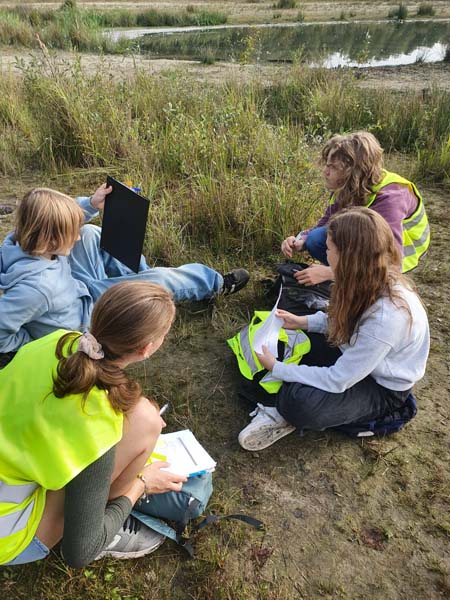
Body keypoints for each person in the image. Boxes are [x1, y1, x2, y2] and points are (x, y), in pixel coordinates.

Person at [0, 281, 194, 567]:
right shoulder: (101, 426)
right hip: (8, 534)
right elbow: (80, 552)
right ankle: (111, 532)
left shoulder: (57, 340)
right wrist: (142, 484)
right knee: (144, 422)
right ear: (146, 349)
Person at [238, 207, 430, 451]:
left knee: (298, 403)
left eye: (329, 250)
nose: (325, 255)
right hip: (355, 356)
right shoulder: (361, 277)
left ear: (348, 257)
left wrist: (278, 369)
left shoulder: (388, 318)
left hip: (380, 386)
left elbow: (338, 380)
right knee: (296, 336)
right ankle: (291, 395)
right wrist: (303, 322)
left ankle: (285, 414)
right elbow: (342, 320)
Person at [0, 185, 249, 354]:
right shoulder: (37, 290)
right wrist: (34, 344)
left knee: (89, 234)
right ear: (51, 240)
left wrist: (90, 204)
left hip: (75, 291)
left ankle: (141, 294)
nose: (73, 238)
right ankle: (213, 284)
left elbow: (57, 218)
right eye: (69, 233)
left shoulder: (17, 241)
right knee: (158, 280)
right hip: (86, 320)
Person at [281, 131, 429, 286]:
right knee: (315, 239)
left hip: (398, 255)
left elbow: (390, 263)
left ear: (354, 171)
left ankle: (354, 282)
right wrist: (301, 239)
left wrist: (332, 272)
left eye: (333, 167)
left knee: (373, 280)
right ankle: (349, 279)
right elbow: (327, 222)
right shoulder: (348, 186)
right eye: (326, 164)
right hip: (366, 240)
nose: (325, 171)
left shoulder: (391, 198)